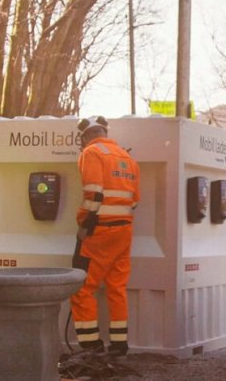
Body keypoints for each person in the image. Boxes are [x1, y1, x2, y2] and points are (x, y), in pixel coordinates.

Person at [71, 115, 140, 358]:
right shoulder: (127, 157)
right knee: (116, 288)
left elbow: (93, 193)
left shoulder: (91, 153)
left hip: (99, 230)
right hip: (124, 231)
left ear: (87, 136)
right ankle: (119, 345)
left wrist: (84, 223)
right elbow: (134, 201)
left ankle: (91, 346)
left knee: (82, 287)